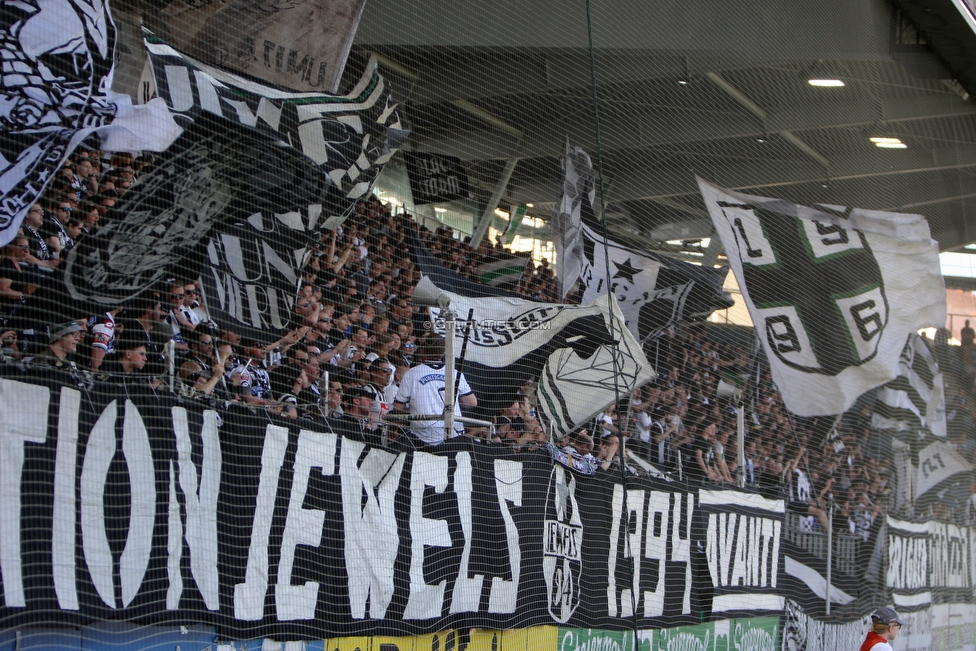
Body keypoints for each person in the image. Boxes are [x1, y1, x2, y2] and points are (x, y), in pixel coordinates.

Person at [394, 334, 477, 445]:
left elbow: (397, 407)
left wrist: (414, 408)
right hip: (454, 436)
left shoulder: (412, 373)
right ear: (443, 352)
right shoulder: (455, 373)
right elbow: (472, 403)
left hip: (422, 439)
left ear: (423, 350)